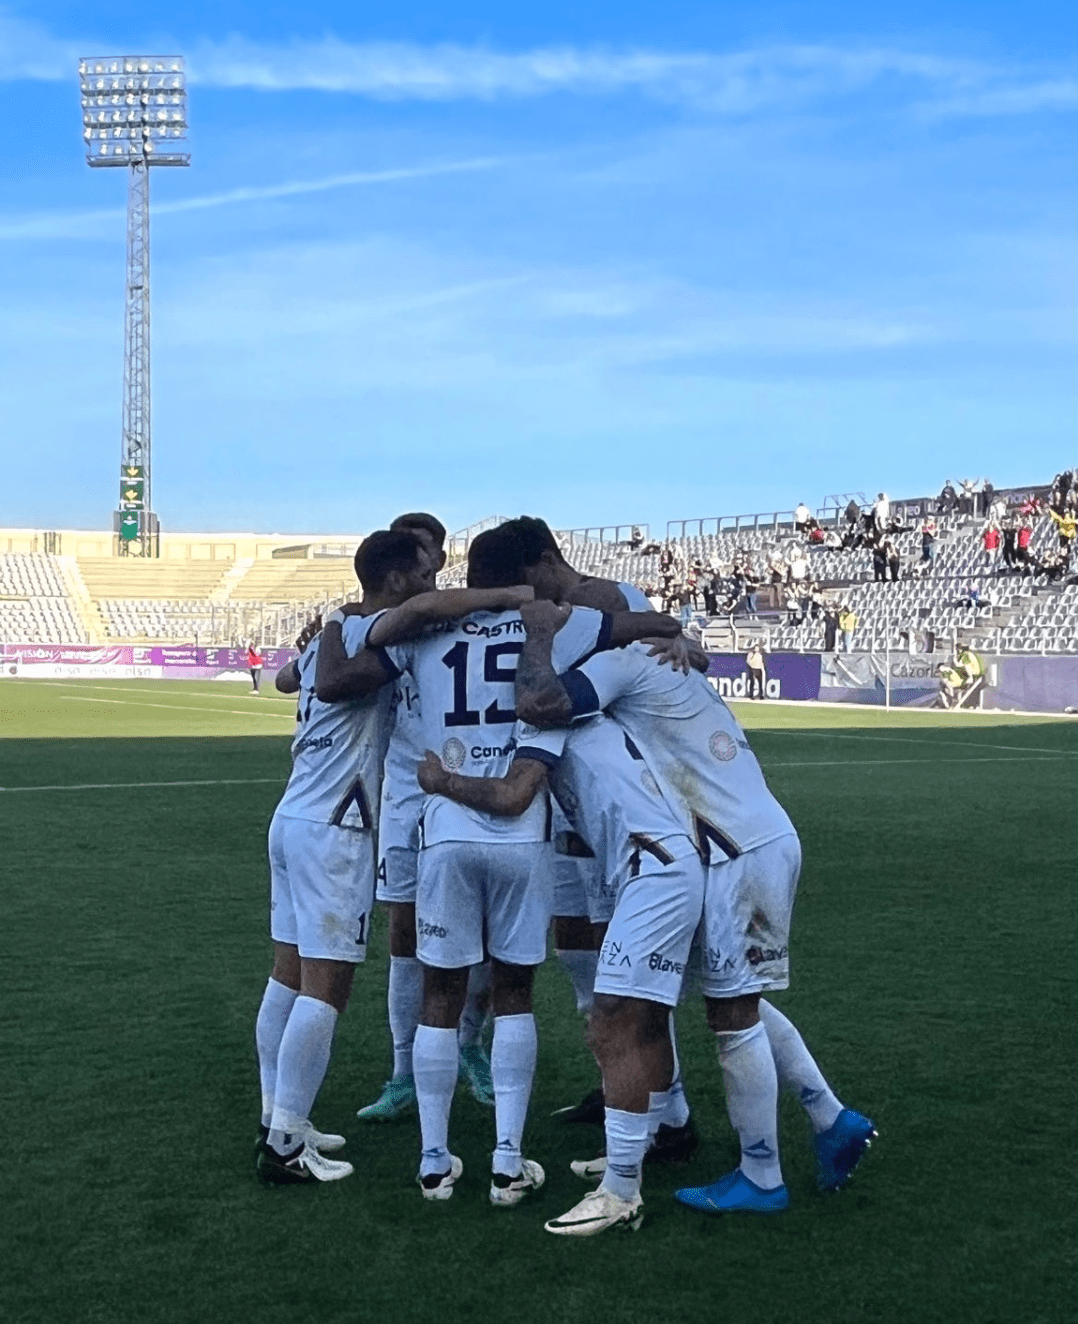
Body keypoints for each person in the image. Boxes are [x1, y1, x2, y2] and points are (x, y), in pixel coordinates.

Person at [515, 609, 876, 1235]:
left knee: (730, 1014)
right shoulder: (665, 665)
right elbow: (687, 659)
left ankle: (762, 1176)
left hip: (733, 846)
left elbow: (546, 701)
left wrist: (540, 640)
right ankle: (828, 1115)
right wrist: (680, 639)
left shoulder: (618, 666)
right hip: (746, 837)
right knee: (731, 998)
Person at [255, 528, 484, 1184]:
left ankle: (278, 1118)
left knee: (287, 977)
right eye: (424, 574)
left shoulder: (341, 628)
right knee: (326, 988)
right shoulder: (379, 636)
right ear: (394, 582)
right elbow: (333, 678)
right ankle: (285, 1146)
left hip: (293, 816)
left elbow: (283, 679)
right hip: (336, 828)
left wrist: (332, 620)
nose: (432, 585)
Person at [352, 513, 495, 1123]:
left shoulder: (467, 614)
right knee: (404, 934)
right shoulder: (384, 625)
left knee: (486, 934)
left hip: (473, 788)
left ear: (440, 558)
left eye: (425, 551)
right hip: (405, 796)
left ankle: (471, 1045)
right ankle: (403, 1072)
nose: (417, 563)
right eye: (407, 552)